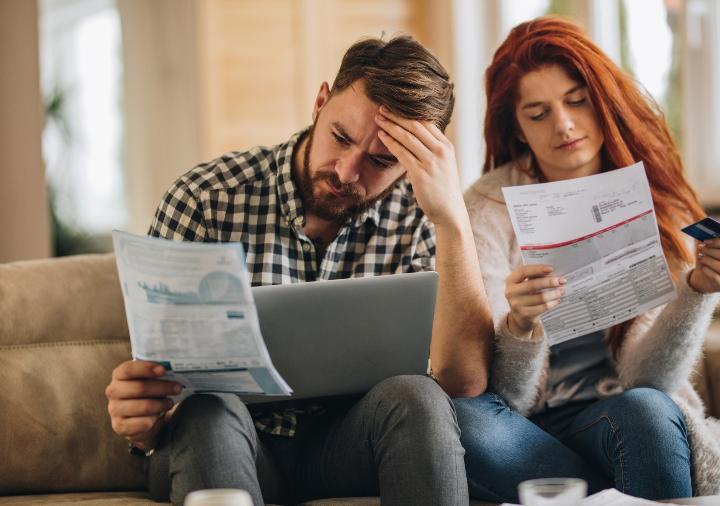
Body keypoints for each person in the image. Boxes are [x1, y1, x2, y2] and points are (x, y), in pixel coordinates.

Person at [104, 35, 493, 506]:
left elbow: (464, 381)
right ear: (320, 102)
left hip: (348, 444)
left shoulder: (421, 214)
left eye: (380, 161)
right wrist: (142, 420)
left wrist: (451, 219)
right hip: (224, 436)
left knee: (418, 397)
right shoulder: (206, 199)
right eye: (341, 138)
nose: (347, 172)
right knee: (208, 411)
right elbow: (155, 387)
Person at [454, 17, 720, 502]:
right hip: (528, 428)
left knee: (647, 412)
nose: (563, 124)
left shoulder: (652, 198)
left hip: (623, 415)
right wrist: (521, 325)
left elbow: (648, 382)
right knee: (464, 423)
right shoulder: (486, 207)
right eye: (538, 113)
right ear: (519, 130)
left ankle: (574, 492)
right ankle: (611, 490)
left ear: (600, 101)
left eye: (576, 100)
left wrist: (697, 293)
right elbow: (501, 397)